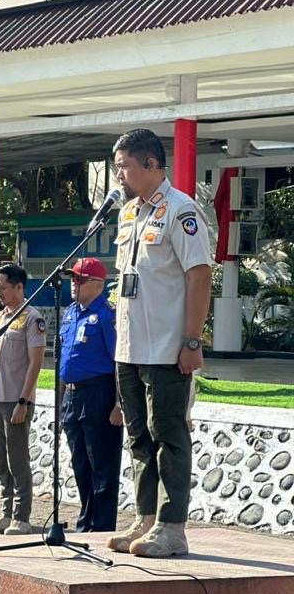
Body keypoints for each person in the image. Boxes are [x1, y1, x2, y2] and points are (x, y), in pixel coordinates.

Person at [106, 128, 212, 558]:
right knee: (138, 437)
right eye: (116, 168)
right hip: (130, 346)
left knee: (168, 434)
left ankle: (172, 526)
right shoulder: (128, 213)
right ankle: (146, 517)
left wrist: (192, 339)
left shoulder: (181, 211)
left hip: (168, 347)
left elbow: (199, 275)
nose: (120, 176)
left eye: (124, 167)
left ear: (152, 164)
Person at [0, 264, 46, 536]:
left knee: (17, 460)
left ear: (19, 286)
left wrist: (24, 401)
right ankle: (5, 513)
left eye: (3, 287)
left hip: (15, 400)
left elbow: (36, 362)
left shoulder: (31, 318)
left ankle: (21, 516)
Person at [59, 257, 123, 533]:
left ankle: (102, 525)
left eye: (80, 279)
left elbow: (119, 361)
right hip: (72, 395)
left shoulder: (107, 315)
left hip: (99, 392)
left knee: (102, 463)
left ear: (98, 284)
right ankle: (86, 521)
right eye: (73, 278)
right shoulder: (71, 312)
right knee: (80, 463)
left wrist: (120, 404)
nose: (75, 283)